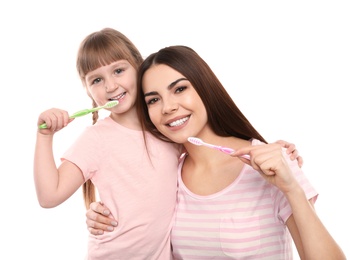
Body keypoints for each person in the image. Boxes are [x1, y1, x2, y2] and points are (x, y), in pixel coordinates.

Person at [86, 45, 346, 259]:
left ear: (204, 88)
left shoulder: (272, 164)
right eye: (153, 100)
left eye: (179, 89)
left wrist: (292, 189)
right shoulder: (169, 174)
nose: (167, 107)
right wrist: (103, 216)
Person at [34, 28, 182, 260]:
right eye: (97, 80)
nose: (111, 86)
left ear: (139, 67)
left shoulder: (167, 127)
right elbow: (49, 196)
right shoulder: (96, 138)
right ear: (88, 91)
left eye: (119, 70)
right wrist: (44, 137)